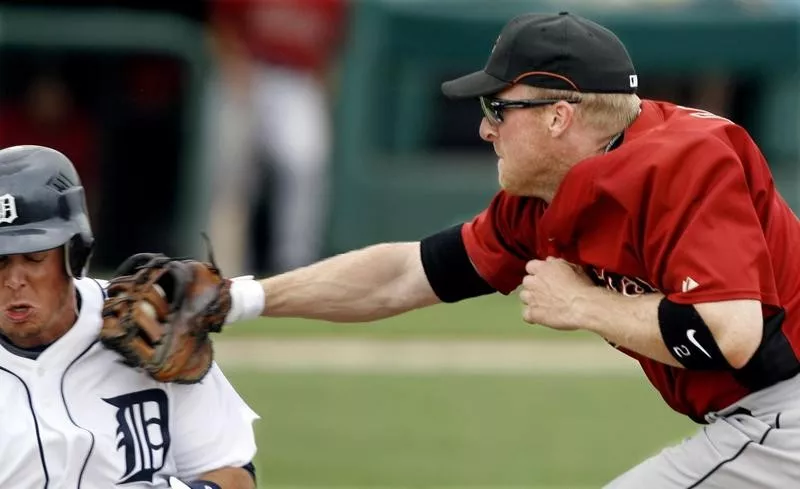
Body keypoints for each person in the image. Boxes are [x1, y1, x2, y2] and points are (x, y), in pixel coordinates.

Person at [197, 11, 800, 488]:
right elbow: (406, 275)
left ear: (560, 116)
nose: (486, 127)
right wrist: (236, 299)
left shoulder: (684, 159)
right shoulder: (543, 198)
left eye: (498, 107)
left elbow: (732, 332)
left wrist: (583, 305)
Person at [0, 145, 258, 488]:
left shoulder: (150, 322)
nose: (15, 280)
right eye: (0, 260)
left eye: (33, 257)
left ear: (74, 253)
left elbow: (233, 474)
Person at [205, 0, 347, 275]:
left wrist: (325, 83)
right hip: (246, 73)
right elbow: (220, 25)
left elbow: (335, 44)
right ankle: (220, 270)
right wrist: (233, 66)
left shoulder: (332, 4)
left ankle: (296, 266)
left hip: (298, 80)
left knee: (305, 166)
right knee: (231, 177)